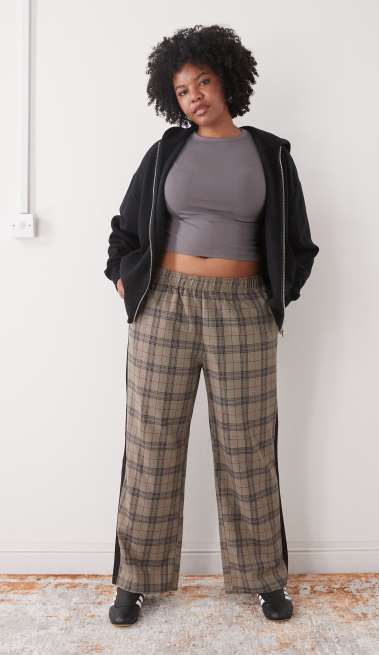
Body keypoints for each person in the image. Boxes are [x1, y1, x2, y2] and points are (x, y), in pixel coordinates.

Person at [104, 24, 319, 626]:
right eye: (182, 89)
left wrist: (275, 295)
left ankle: (264, 579)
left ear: (226, 80)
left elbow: (299, 242)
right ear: (171, 98)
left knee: (247, 446)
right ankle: (135, 581)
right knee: (151, 444)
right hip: (165, 306)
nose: (194, 95)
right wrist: (123, 274)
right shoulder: (165, 153)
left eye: (202, 81)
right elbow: (124, 228)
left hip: (243, 309)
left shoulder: (271, 154)